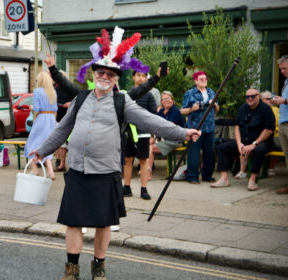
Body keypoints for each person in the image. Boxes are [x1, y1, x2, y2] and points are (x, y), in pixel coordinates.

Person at [29, 26, 201, 280]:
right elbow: (62, 129)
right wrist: (41, 151)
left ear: (117, 78)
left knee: (103, 223)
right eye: (102, 72)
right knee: (73, 221)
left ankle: (98, 267)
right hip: (77, 168)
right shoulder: (82, 98)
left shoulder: (122, 102)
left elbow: (150, 121)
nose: (106, 76)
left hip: (105, 171)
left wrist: (182, 132)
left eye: (111, 74)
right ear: (94, 73)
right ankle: (71, 270)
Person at [211, 89, 275, 191]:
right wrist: (239, 143)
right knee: (222, 148)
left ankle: (252, 180)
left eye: (252, 96)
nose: (249, 98)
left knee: (258, 150)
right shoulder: (242, 108)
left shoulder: (266, 109)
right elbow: (237, 127)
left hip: (262, 141)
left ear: (258, 96)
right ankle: (224, 179)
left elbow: (268, 130)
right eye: (247, 97)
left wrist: (254, 144)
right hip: (244, 140)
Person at [123, 70, 157, 200]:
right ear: (133, 77)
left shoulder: (149, 96)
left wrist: (152, 134)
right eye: (138, 75)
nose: (141, 78)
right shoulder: (127, 94)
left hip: (143, 133)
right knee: (127, 160)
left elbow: (153, 116)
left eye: (143, 76)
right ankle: (127, 187)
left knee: (143, 160)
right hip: (128, 133)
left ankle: (143, 188)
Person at [181, 71, 220, 184]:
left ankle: (207, 175)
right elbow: (183, 110)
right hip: (195, 127)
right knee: (193, 152)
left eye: (205, 78)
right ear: (196, 81)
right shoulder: (190, 93)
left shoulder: (211, 92)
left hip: (209, 127)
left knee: (209, 153)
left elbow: (217, 109)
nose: (204, 80)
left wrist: (215, 104)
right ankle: (192, 176)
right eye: (201, 79)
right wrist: (192, 109)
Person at [272, 55, 288, 200]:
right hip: (284, 123)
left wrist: (285, 100)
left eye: (284, 68)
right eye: (280, 69)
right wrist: (278, 101)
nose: (281, 71)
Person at [24, 72, 58, 179]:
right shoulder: (53, 92)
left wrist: (31, 107)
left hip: (42, 118)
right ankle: (51, 172)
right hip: (51, 119)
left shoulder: (37, 91)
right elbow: (55, 109)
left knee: (32, 143)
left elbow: (37, 108)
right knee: (46, 145)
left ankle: (34, 170)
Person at [148, 91, 185, 179]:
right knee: (147, 145)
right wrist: (152, 137)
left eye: (168, 98)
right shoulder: (161, 111)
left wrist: (156, 134)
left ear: (173, 100)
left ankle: (148, 173)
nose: (166, 100)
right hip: (165, 140)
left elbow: (168, 128)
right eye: (164, 99)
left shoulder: (176, 112)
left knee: (150, 148)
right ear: (161, 102)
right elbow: (154, 125)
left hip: (175, 140)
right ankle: (147, 171)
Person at [55, 70, 73, 172]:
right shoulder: (55, 89)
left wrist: (70, 103)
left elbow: (76, 99)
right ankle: (61, 163)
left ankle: (67, 164)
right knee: (60, 142)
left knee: (69, 143)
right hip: (58, 117)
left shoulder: (69, 89)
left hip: (69, 118)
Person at [261, 91, 281, 176]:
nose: (270, 100)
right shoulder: (258, 109)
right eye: (267, 99)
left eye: (271, 99)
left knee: (277, 143)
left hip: (274, 134)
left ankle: (271, 167)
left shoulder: (276, 110)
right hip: (259, 134)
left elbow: (278, 123)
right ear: (261, 100)